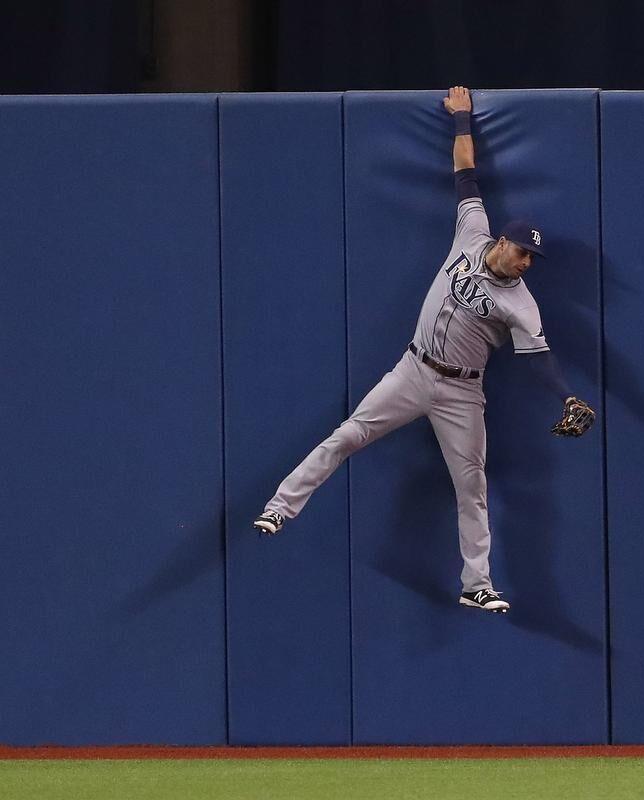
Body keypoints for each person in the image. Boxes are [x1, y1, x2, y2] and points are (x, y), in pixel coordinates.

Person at [252, 86, 595, 614]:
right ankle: (280, 507)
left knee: (472, 488)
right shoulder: (473, 230)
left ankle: (475, 583)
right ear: (503, 242)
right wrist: (461, 119)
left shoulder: (521, 304)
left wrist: (566, 397)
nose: (527, 263)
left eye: (533, 258)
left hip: (461, 392)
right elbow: (465, 174)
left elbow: (537, 359)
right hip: (413, 370)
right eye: (523, 252)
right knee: (347, 435)